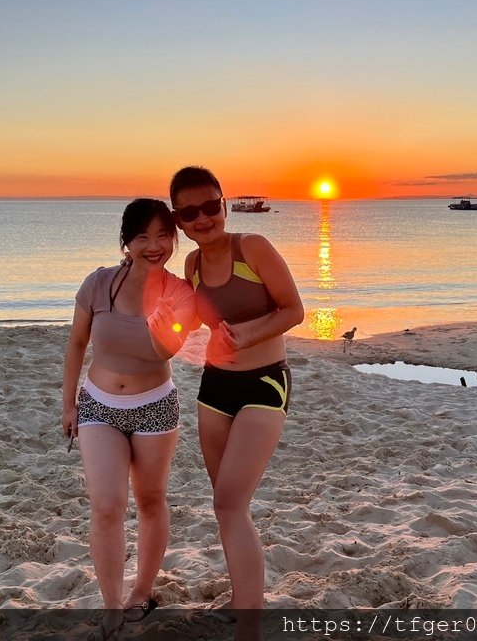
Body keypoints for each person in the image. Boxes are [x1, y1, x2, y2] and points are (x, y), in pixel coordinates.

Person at [169, 166, 304, 638]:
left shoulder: (254, 247)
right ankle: (243, 597)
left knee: (229, 502)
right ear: (179, 220)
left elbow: (294, 310)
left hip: (266, 384)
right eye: (190, 212)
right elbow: (188, 325)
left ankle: (250, 617)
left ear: (223, 204)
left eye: (211, 205)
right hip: (215, 389)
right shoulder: (191, 267)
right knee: (228, 503)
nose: (203, 217)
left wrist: (247, 334)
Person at [61, 198, 196, 641]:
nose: (153, 245)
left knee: (151, 499)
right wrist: (68, 404)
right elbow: (77, 344)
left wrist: (161, 322)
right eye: (142, 236)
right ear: (126, 242)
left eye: (163, 236)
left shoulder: (178, 293)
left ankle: (142, 589)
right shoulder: (98, 284)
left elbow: (167, 351)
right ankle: (112, 606)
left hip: (155, 405)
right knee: (106, 506)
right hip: (99, 404)